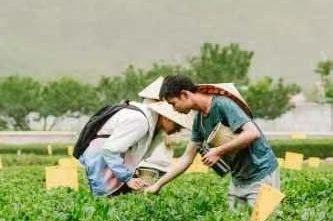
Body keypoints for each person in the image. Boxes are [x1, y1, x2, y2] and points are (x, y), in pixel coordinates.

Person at [146, 74, 279, 210]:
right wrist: (158, 185)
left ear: (184, 94)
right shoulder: (199, 120)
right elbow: (186, 158)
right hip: (239, 179)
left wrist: (218, 151)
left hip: (261, 173)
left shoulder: (222, 104)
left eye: (173, 103)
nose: (174, 109)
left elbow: (252, 133)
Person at [79, 100, 193, 197]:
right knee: (104, 200)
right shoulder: (140, 121)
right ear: (167, 118)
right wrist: (127, 178)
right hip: (101, 160)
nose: (178, 130)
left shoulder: (154, 127)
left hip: (113, 163)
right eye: (178, 126)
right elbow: (109, 150)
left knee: (119, 199)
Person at [135, 77, 176, 184]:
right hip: (150, 164)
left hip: (157, 164)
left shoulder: (148, 117)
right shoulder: (155, 119)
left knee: (146, 193)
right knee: (145, 193)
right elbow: (172, 140)